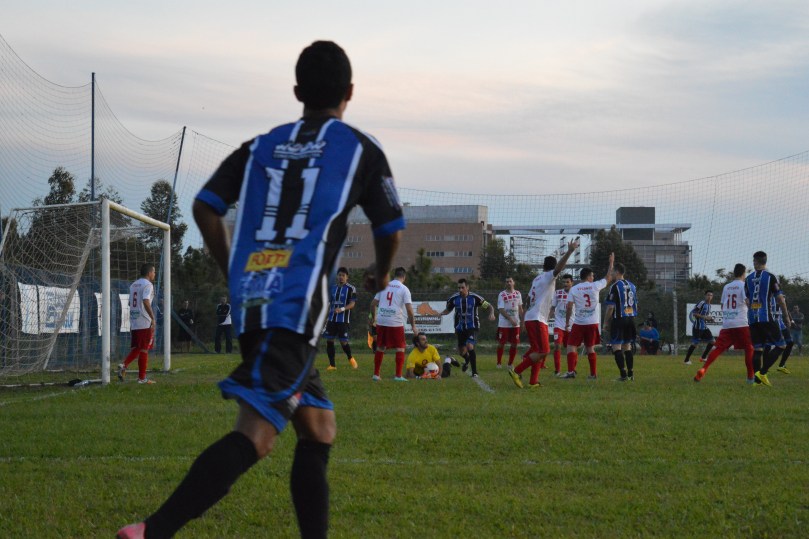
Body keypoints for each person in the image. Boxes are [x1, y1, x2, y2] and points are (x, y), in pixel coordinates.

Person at [117, 41, 405, 539]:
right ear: (350, 92)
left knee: (319, 428)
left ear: (297, 92)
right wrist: (381, 276)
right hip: (293, 308)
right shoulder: (359, 148)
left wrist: (235, 268)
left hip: (255, 303)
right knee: (257, 435)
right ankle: (152, 531)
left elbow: (206, 205)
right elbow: (390, 227)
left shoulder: (261, 144)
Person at [508, 239, 578, 388]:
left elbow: (527, 300)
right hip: (537, 319)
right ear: (552, 268)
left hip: (533, 318)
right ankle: (517, 371)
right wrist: (570, 251)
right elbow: (558, 269)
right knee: (544, 351)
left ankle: (533, 382)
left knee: (537, 350)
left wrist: (523, 319)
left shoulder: (536, 279)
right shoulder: (548, 277)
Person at [694, 264, 755, 383]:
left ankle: (703, 369)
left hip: (727, 323)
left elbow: (723, 305)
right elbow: (748, 302)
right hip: (741, 322)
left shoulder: (727, 287)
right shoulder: (744, 285)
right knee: (749, 348)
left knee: (718, 348)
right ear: (744, 273)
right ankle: (750, 377)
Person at [562, 253, 615, 380]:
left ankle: (571, 372)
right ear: (588, 276)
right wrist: (611, 263)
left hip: (579, 322)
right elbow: (608, 278)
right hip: (592, 322)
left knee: (571, 346)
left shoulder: (574, 289)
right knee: (590, 348)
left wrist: (567, 322)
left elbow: (569, 306)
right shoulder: (595, 285)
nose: (593, 277)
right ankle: (593, 374)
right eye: (592, 275)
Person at [746, 251, 792, 386]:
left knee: (758, 349)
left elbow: (747, 300)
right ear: (765, 261)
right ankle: (763, 372)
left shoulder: (748, 279)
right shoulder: (771, 277)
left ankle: (756, 381)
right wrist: (786, 317)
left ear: (755, 261)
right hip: (766, 316)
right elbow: (780, 299)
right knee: (781, 345)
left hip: (752, 318)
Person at [440, 278, 495, 378]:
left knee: (470, 346)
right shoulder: (454, 298)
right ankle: (467, 359)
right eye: (459, 288)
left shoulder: (475, 298)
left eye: (462, 287)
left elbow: (489, 306)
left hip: (472, 326)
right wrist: (441, 313)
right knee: (462, 351)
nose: (460, 290)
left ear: (467, 287)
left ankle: (474, 372)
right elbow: (448, 309)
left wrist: (491, 313)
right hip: (460, 327)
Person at [372, 267, 417, 381]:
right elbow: (410, 310)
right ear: (404, 277)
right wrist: (413, 326)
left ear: (394, 275)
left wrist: (374, 318)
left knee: (381, 347)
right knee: (400, 347)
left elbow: (372, 304)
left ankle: (376, 375)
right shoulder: (404, 289)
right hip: (395, 321)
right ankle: (398, 376)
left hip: (382, 320)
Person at [117, 264, 157, 385]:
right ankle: (126, 366)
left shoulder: (133, 284)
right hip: (144, 320)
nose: (154, 274)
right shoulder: (148, 285)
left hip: (134, 319)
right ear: (149, 273)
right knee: (143, 349)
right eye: (154, 272)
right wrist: (152, 317)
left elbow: (130, 303)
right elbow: (145, 300)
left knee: (140, 348)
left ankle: (141, 377)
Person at [603, 263, 638, 381]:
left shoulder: (615, 286)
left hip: (619, 319)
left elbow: (610, 307)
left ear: (617, 272)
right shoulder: (632, 286)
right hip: (630, 319)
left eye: (612, 272)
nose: (611, 274)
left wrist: (606, 323)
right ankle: (631, 374)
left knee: (616, 347)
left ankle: (623, 375)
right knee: (627, 346)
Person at [323, 267, 358, 371]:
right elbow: (328, 303)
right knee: (329, 340)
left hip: (343, 319)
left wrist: (342, 309)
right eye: (339, 275)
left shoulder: (351, 288)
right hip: (332, 319)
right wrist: (324, 317)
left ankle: (350, 357)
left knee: (343, 342)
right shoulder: (332, 288)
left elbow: (352, 304)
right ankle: (332, 365)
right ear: (337, 276)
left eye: (343, 275)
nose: (341, 277)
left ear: (347, 277)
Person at [549, 273, 574, 375]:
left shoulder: (575, 293)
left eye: (567, 282)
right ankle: (557, 370)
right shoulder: (557, 293)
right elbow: (553, 308)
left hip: (571, 325)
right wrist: (548, 317)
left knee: (571, 348)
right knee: (557, 346)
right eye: (564, 282)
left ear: (572, 283)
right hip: (559, 324)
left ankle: (571, 369)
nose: (565, 284)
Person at [495, 277, 523, 368]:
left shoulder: (518, 293)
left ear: (513, 282)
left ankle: (510, 364)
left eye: (510, 281)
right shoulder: (502, 294)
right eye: (507, 281)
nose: (508, 283)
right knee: (501, 343)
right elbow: (501, 309)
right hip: (504, 323)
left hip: (516, 324)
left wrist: (522, 321)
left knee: (514, 344)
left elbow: (520, 308)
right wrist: (510, 319)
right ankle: (499, 363)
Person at [683, 290, 715, 365]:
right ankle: (686, 360)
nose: (709, 297)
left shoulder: (709, 305)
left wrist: (710, 319)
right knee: (695, 343)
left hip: (704, 326)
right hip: (698, 326)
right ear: (705, 296)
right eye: (708, 295)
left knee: (712, 341)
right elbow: (694, 313)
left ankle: (703, 357)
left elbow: (705, 317)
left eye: (711, 295)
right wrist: (705, 317)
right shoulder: (702, 303)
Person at [767, 294, 795, 374]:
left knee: (790, 342)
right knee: (768, 345)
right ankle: (765, 367)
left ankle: (781, 365)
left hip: (780, 322)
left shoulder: (780, 294)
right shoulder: (766, 294)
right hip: (771, 322)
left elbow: (785, 308)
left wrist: (790, 319)